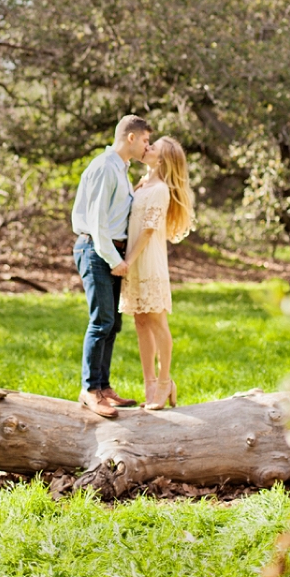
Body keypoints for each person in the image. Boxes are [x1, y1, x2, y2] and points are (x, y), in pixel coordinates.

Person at [72, 114, 151, 418]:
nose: (147, 147)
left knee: (112, 323)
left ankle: (104, 387)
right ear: (131, 137)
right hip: (96, 250)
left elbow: (118, 212)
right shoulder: (105, 167)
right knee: (101, 321)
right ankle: (90, 390)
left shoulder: (121, 169)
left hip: (109, 252)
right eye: (145, 140)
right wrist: (115, 260)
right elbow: (97, 222)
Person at [120, 136, 194, 410]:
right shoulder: (143, 184)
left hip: (147, 260)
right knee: (140, 321)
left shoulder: (161, 189)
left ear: (161, 160)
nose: (147, 148)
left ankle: (165, 382)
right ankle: (149, 383)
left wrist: (128, 260)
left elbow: (149, 229)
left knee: (157, 321)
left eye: (153, 148)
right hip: (134, 260)